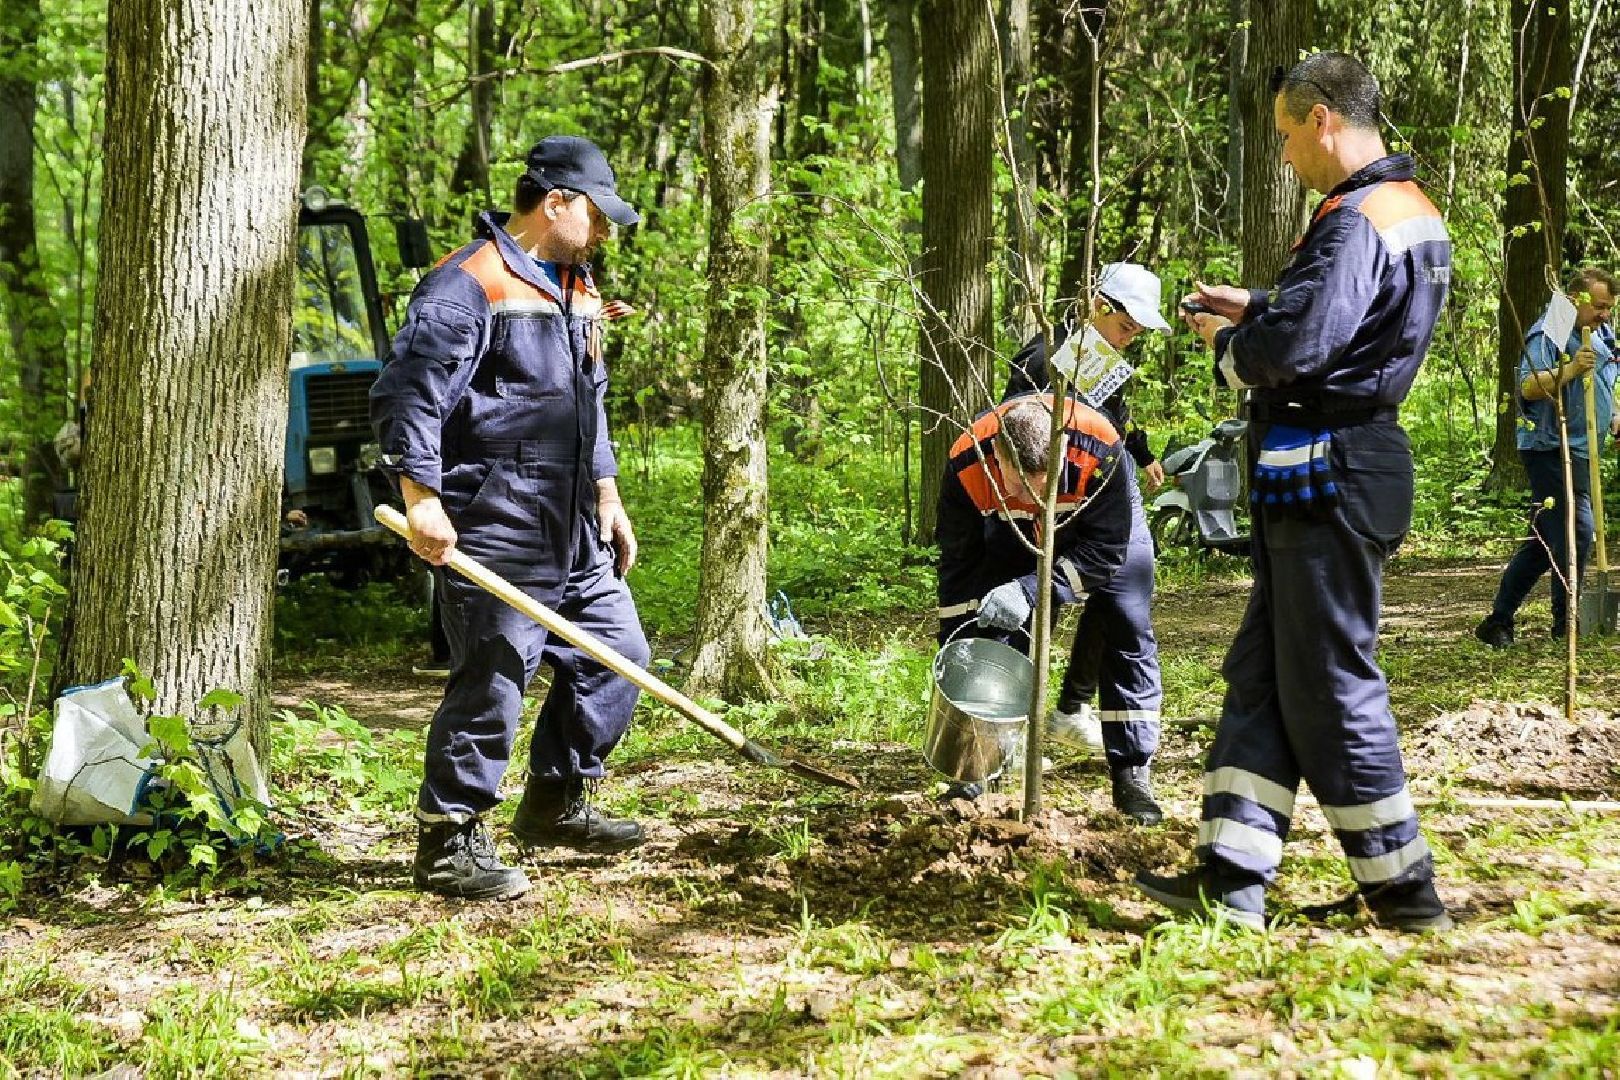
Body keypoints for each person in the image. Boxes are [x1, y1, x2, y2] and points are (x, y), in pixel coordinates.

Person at [1135, 53, 1454, 932]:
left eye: (1284, 136)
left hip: (1331, 470)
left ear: (1321, 120)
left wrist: (1229, 342)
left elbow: (1302, 348)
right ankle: (1233, 879)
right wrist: (1259, 302)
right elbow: (1344, 317)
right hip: (1325, 470)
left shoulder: (1356, 219)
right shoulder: (1409, 210)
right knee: (1266, 678)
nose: (1283, 157)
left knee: (1328, 685)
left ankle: (1404, 891)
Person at [370, 135, 648, 900]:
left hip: (574, 527)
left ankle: (556, 803)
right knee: (494, 680)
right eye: (596, 216)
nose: (604, 233)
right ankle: (449, 841)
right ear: (556, 202)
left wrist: (609, 495)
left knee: (616, 655)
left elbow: (588, 401)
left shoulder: (577, 285)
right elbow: (409, 397)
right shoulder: (469, 285)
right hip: (497, 520)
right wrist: (421, 497)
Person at [1002, 262, 1171, 824]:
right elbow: (1015, 438)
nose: (1134, 336)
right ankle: (993, 750)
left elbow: (1116, 425)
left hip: (1112, 499)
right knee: (1031, 603)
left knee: (1125, 612)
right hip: (1055, 501)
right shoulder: (1043, 360)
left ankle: (1130, 773)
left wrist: (1141, 453)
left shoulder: (1104, 361)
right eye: (1128, 325)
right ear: (1099, 304)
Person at [935, 395, 1133, 801]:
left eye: (1045, 482)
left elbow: (1107, 550)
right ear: (999, 458)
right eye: (1021, 483)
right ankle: (979, 763)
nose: (1034, 496)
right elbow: (960, 563)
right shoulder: (967, 464)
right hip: (1005, 531)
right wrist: (958, 645)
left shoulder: (1101, 453)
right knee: (996, 626)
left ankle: (1129, 768)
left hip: (1084, 524)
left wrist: (1033, 588)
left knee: (1124, 610)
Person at [1475, 268, 1620, 647]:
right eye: (1600, 306)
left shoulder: (1598, 328)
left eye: (1609, 307)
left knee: (1544, 541)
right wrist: (1572, 368)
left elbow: (1603, 378)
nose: (1606, 314)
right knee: (1577, 529)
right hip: (1550, 448)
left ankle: (1497, 621)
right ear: (1576, 299)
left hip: (1580, 447)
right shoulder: (1553, 326)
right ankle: (1566, 626)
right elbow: (1528, 385)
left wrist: (1614, 418)